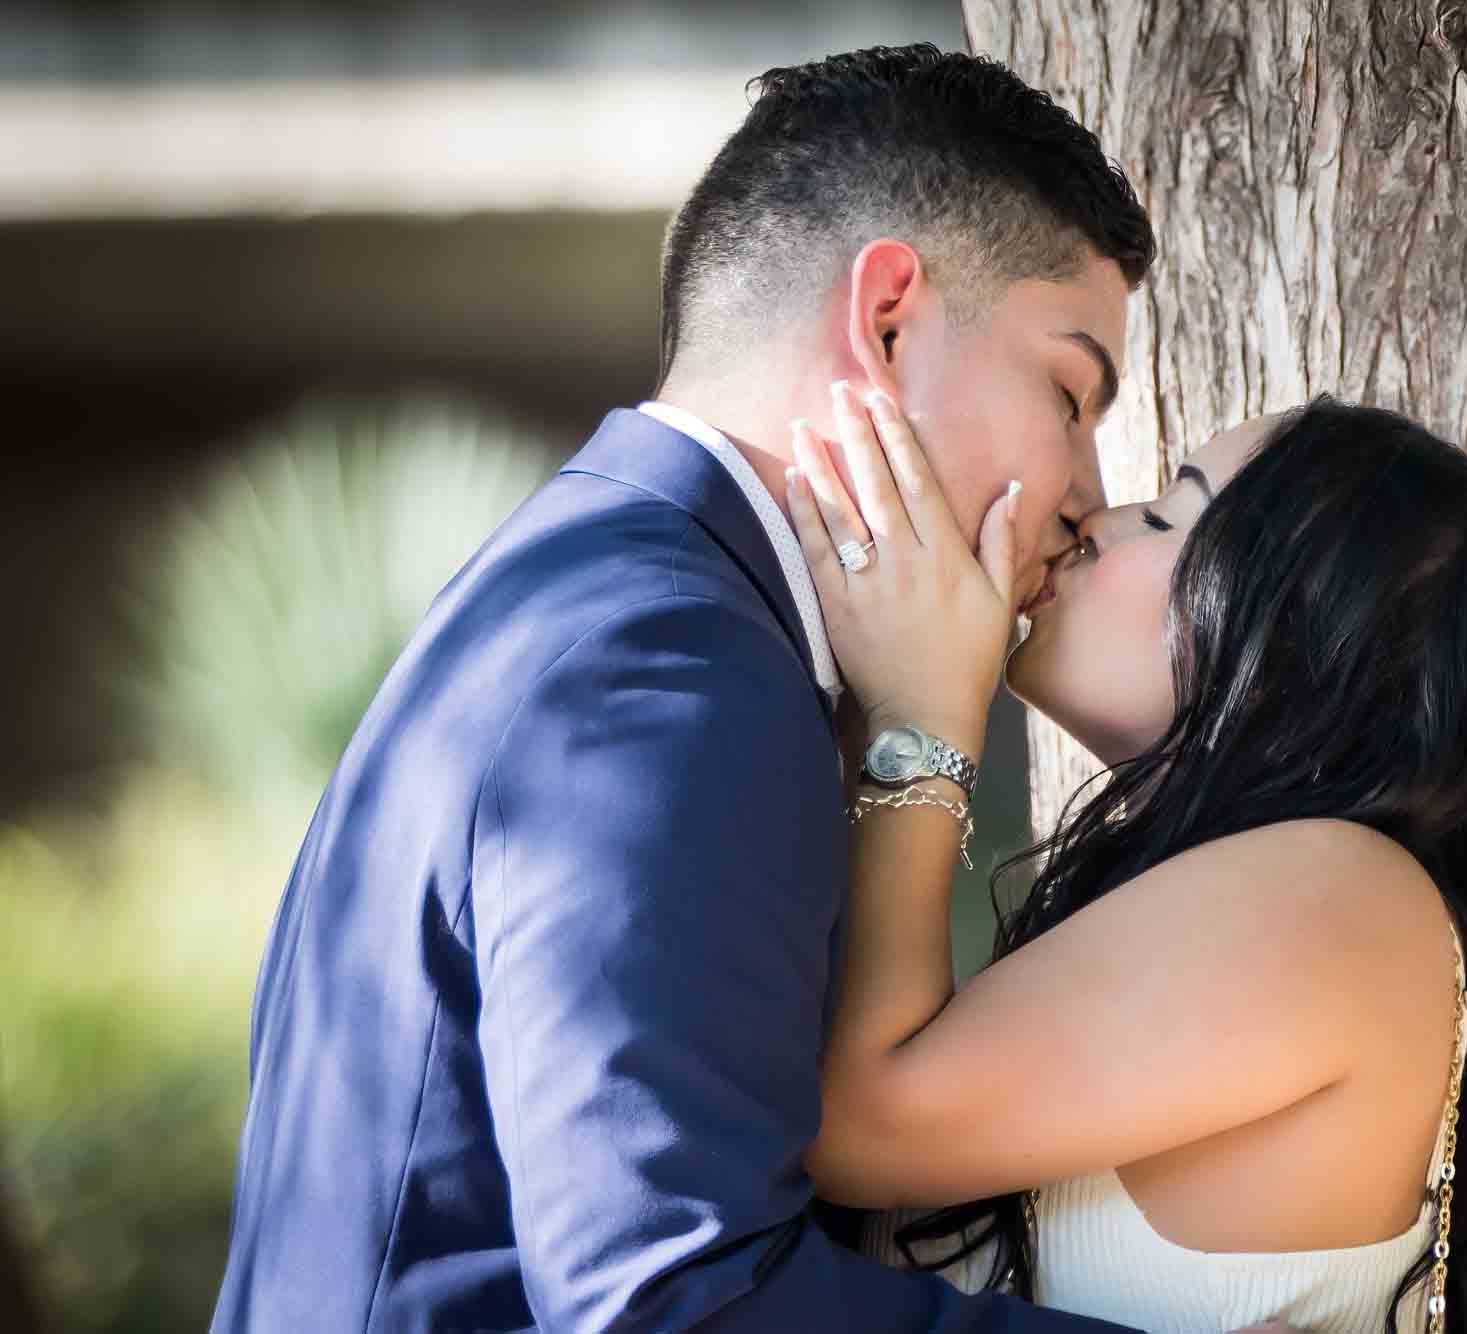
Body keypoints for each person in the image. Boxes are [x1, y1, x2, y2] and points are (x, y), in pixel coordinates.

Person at [209, 43, 1288, 1334]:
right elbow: (673, 1303)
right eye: (1068, 391)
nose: (1090, 497)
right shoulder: (667, 672)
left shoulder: (587, 589)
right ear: (887, 320)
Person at [782, 392, 1467, 1333]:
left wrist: (916, 722)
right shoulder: (1295, 904)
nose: (1097, 519)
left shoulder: (1338, 895)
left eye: (1169, 512)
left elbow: (858, 1121)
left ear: (1300, 643)